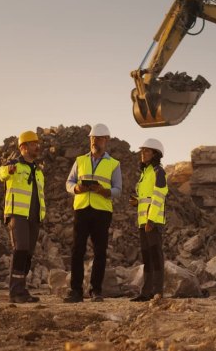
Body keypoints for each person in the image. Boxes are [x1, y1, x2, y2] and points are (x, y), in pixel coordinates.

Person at [63, 123, 122, 303]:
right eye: (93, 138)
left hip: (102, 211)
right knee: (77, 250)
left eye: (99, 138)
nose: (95, 141)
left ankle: (96, 290)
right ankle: (76, 291)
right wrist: (77, 189)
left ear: (106, 141)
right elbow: (69, 183)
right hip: (81, 209)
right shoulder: (80, 160)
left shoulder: (114, 164)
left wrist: (105, 191)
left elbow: (118, 189)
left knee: (100, 251)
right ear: (90, 140)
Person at [0, 130, 45, 303]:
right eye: (33, 144)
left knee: (28, 253)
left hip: (34, 217)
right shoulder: (14, 165)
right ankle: (15, 292)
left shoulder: (38, 171)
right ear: (23, 147)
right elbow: (1, 173)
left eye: (37, 144)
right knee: (21, 249)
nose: (37, 147)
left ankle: (21, 290)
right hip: (17, 214)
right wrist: (8, 170)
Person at [129, 138, 168, 302]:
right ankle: (146, 292)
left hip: (153, 222)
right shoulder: (145, 174)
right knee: (147, 257)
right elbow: (147, 197)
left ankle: (157, 291)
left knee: (155, 255)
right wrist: (137, 201)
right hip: (144, 222)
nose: (142, 154)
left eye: (146, 151)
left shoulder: (159, 172)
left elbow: (159, 197)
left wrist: (151, 220)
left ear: (155, 154)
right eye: (142, 150)